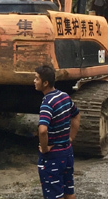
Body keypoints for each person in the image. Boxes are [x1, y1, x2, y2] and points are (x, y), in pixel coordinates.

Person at [33, 64, 80, 199]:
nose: (34, 82)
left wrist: (44, 148)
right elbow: (76, 115)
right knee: (69, 192)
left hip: (53, 156)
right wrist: (71, 137)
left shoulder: (47, 103)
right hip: (67, 152)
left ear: (45, 83)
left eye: (36, 79)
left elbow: (42, 130)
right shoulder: (64, 96)